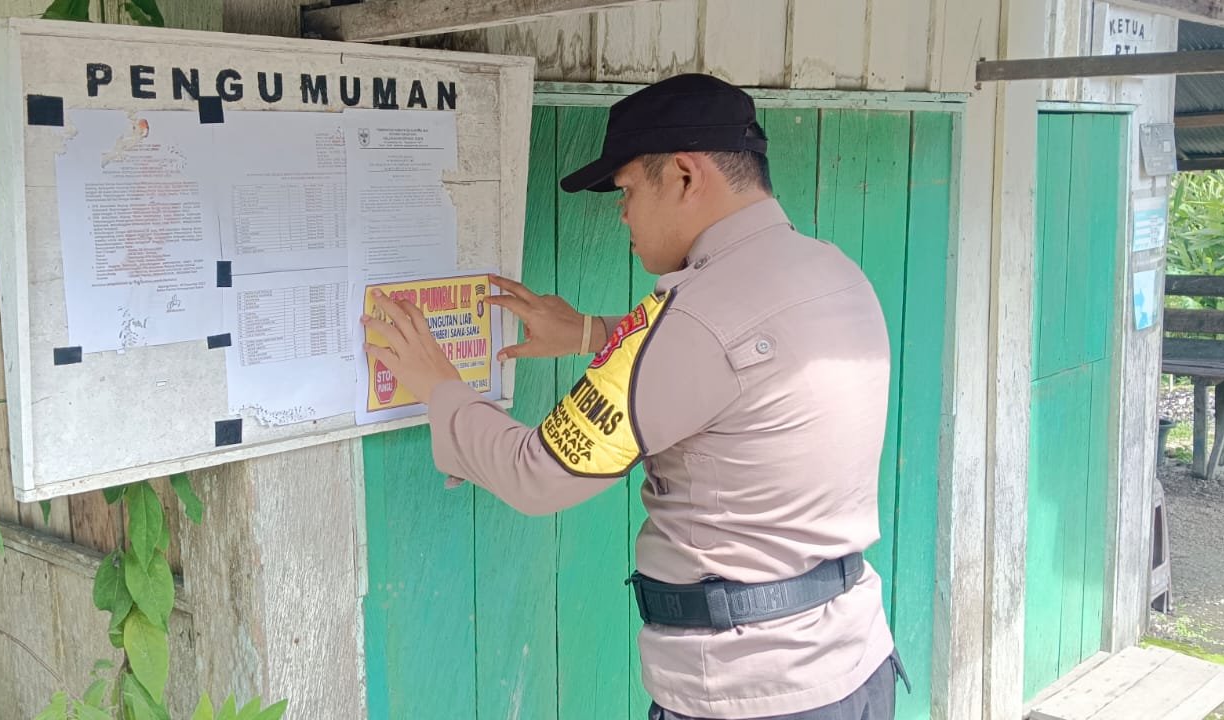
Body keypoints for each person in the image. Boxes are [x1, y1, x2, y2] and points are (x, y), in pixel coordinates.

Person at [360, 73, 906, 720]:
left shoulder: (696, 315)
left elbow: (537, 476)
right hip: (854, 662)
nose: (622, 214)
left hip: (750, 690)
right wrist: (590, 333)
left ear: (684, 175)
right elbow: (736, 369)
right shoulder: (831, 269)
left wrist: (436, 385)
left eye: (626, 191)